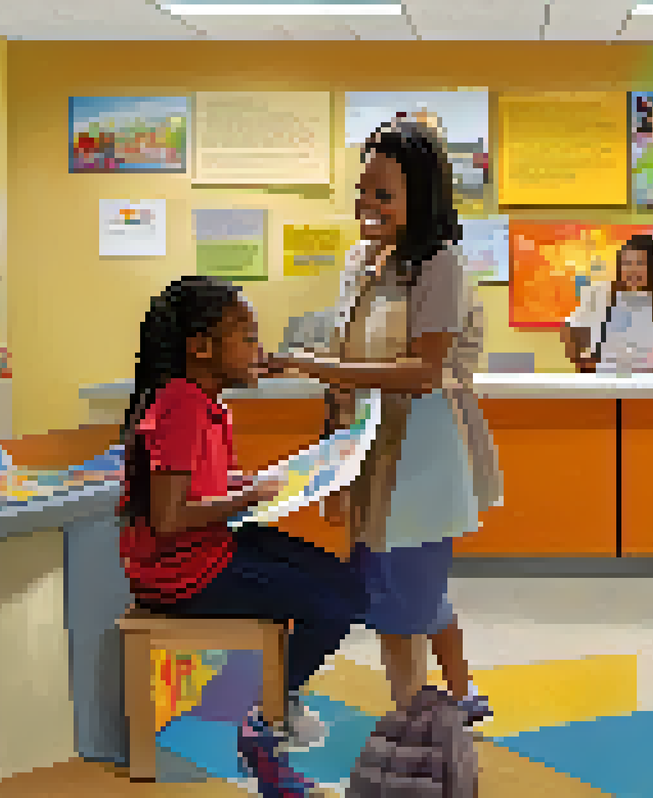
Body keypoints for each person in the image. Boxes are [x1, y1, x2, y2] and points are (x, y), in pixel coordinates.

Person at [265, 118, 501, 724]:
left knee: (401, 601)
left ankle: (410, 729)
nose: (367, 206)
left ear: (420, 196)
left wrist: (314, 367)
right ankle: (461, 694)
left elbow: (423, 371)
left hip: (421, 455)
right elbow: (348, 357)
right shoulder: (365, 260)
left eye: (384, 195)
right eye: (362, 191)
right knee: (408, 588)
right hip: (368, 448)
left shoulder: (440, 264)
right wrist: (332, 435)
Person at [118, 275, 367, 796]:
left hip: (208, 550)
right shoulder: (183, 405)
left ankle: (277, 701)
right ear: (201, 348)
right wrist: (250, 497)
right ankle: (263, 717)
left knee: (342, 584)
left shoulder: (205, 403)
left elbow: (195, 486)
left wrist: (254, 485)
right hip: (182, 575)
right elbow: (168, 517)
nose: (260, 350)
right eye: (247, 337)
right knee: (338, 599)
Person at [562, 234, 653, 375]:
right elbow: (570, 327)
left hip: (647, 385)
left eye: (640, 264)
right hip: (605, 382)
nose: (632, 270)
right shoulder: (601, 296)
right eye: (627, 263)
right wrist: (583, 365)